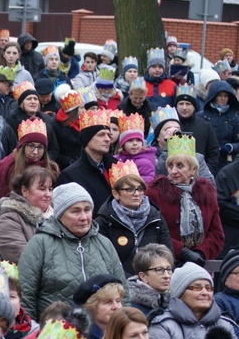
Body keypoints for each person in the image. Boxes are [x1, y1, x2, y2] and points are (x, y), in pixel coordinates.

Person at [19, 182, 127, 320]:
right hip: (55, 332)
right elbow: (25, 295)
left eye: (87, 210)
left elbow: (123, 292)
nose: (83, 217)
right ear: (59, 215)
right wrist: (31, 331)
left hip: (101, 330)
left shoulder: (104, 244)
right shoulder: (40, 243)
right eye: (75, 211)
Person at [149, 262, 238, 339]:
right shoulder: (163, 326)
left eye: (208, 288)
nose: (205, 293)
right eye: (197, 287)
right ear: (180, 293)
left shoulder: (225, 325)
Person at [146, 133, 224, 265]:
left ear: (193, 170)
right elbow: (153, 231)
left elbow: (216, 233)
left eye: (180, 166)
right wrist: (182, 252)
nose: (173, 171)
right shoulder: (155, 193)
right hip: (165, 263)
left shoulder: (207, 195)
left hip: (199, 263)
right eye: (170, 166)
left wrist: (201, 252)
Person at [96, 161, 173, 276]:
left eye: (140, 189)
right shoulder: (104, 222)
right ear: (116, 194)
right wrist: (131, 281)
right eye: (129, 189)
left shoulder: (156, 218)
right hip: (119, 284)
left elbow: (167, 255)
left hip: (153, 283)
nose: (137, 194)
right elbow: (103, 262)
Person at [0, 114, 59, 206]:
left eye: (40, 147)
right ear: (22, 147)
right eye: (31, 146)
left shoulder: (52, 169)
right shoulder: (5, 166)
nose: (35, 152)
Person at [57, 109, 117, 216]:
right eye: (101, 135)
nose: (107, 139)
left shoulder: (117, 167)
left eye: (108, 135)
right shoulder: (70, 175)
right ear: (87, 139)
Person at [0, 167, 54, 264]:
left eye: (50, 189)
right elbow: (24, 258)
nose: (48, 194)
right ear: (25, 191)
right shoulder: (9, 219)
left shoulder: (60, 215)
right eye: (42, 189)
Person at [73, 274, 124, 339]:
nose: (116, 306)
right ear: (91, 307)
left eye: (118, 301)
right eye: (108, 302)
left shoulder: (126, 331)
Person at [5, 80, 60, 160]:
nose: (33, 102)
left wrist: (42, 161)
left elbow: (53, 149)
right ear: (21, 103)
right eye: (29, 99)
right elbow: (10, 147)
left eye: (35, 99)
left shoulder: (47, 121)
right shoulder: (12, 122)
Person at [175, 84, 220, 175]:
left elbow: (213, 152)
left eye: (188, 104)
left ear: (194, 107)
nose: (184, 108)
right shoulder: (170, 126)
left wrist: (206, 171)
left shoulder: (205, 126)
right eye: (181, 104)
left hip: (200, 174)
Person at [197, 79, 239, 172]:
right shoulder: (201, 116)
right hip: (205, 161)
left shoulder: (234, 117)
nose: (223, 98)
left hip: (226, 162)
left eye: (226, 96)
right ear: (213, 96)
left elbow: (238, 141)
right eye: (220, 95)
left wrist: (231, 147)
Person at [127, 244, 174, 317]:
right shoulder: (131, 308)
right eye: (159, 270)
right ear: (143, 276)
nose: (167, 276)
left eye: (168, 269)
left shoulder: (176, 301)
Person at [114, 114, 157, 183]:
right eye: (130, 140)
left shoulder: (144, 162)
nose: (135, 143)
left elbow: (148, 180)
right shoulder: (117, 158)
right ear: (123, 144)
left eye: (138, 140)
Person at [51, 84, 85, 170]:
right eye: (81, 108)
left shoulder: (84, 123)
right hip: (64, 168)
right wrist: (69, 161)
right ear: (73, 111)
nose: (84, 111)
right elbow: (54, 151)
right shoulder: (55, 126)